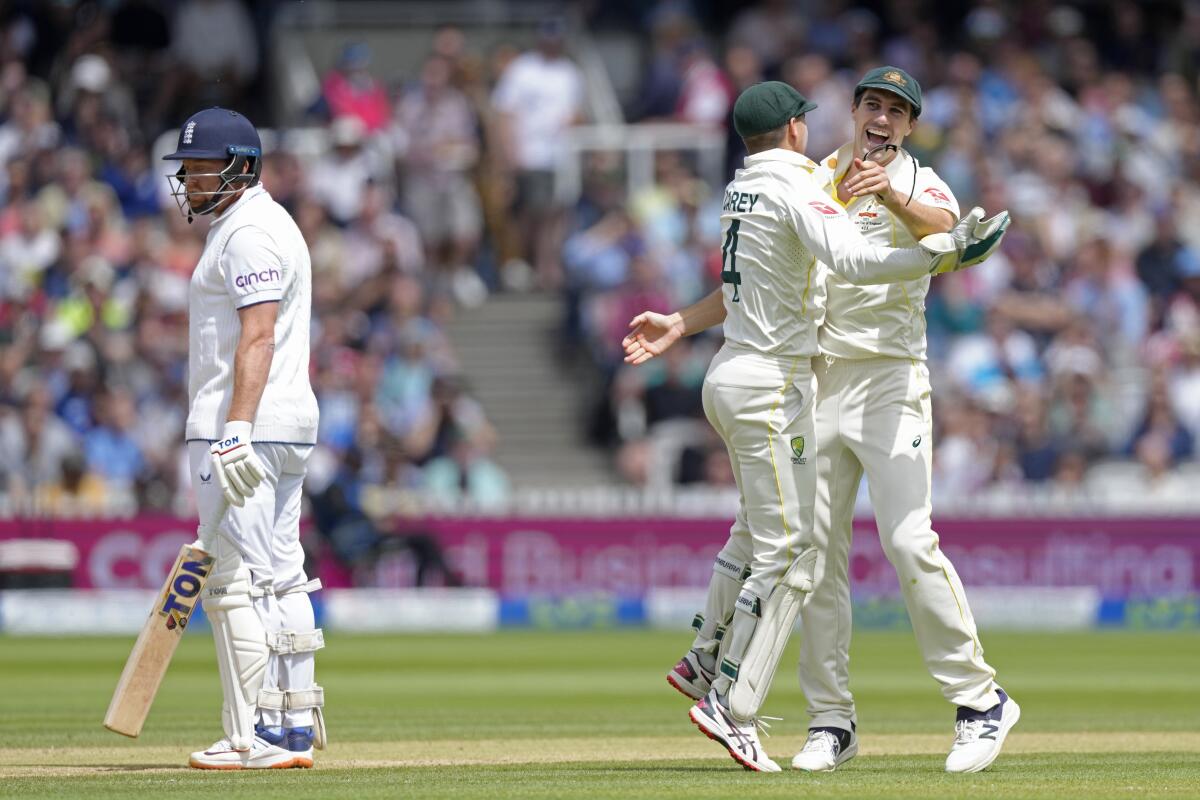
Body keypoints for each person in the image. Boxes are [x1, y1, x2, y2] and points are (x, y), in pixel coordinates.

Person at [630, 69, 1020, 775]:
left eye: (896, 112)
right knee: (818, 557)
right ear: (853, 111)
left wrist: (892, 193)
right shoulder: (809, 176)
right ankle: (831, 720)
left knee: (907, 540)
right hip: (815, 384)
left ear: (908, 127)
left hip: (892, 384)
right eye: (872, 104)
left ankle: (980, 702)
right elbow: (758, 277)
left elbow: (949, 233)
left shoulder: (922, 181)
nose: (882, 119)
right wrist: (682, 323)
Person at [163, 107, 324, 769]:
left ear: (242, 167)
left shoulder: (250, 232)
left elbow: (258, 335)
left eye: (204, 167)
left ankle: (252, 735)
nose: (193, 180)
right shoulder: (252, 224)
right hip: (281, 426)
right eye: (189, 168)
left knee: (239, 583)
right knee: (282, 577)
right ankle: (292, 722)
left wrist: (234, 431)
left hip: (243, 428)